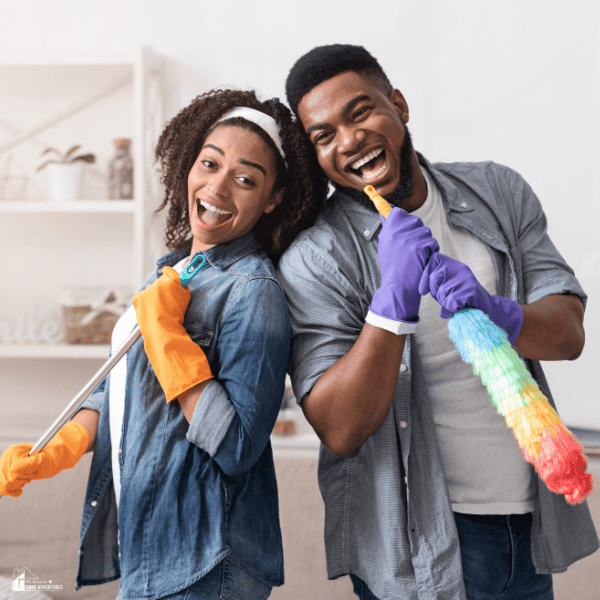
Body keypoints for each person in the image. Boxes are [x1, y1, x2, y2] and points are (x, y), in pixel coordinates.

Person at [277, 44, 598, 600]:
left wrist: (497, 310)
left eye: (360, 113)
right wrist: (392, 301)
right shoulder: (315, 258)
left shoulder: (497, 192)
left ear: (398, 105)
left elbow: (568, 334)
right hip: (418, 544)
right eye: (323, 136)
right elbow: (341, 429)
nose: (348, 140)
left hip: (529, 519)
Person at [0, 89, 327, 600]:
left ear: (273, 198)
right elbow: (126, 392)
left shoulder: (253, 292)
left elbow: (238, 445)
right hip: (152, 547)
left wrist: (169, 339)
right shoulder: (170, 273)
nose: (218, 187)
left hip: (206, 561)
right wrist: (61, 449)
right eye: (209, 163)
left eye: (245, 178)